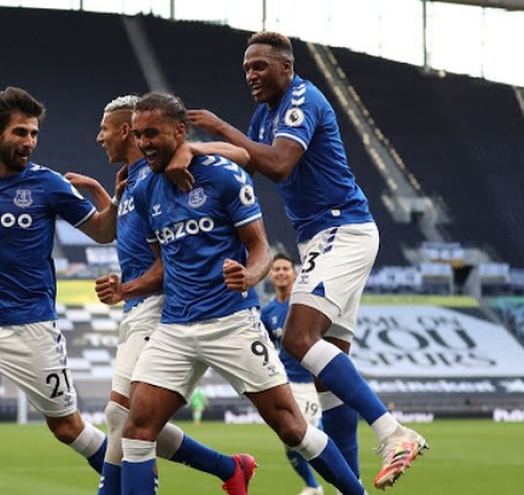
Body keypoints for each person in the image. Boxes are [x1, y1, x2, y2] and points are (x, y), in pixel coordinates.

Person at [169, 31, 428, 490]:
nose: (250, 75)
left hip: (340, 229)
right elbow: (248, 159)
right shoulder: (265, 114)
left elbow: (278, 163)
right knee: (328, 384)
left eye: (259, 66)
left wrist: (219, 128)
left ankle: (394, 433)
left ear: (286, 67)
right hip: (322, 238)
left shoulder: (302, 99)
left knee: (297, 338)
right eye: (246, 68)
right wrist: (197, 149)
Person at [120, 92, 367, 495]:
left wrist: (249, 277)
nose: (143, 142)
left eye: (152, 133)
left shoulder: (222, 176)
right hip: (175, 327)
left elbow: (260, 249)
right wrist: (126, 287)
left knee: (292, 428)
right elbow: (163, 264)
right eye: (138, 134)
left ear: (179, 132)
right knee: (136, 429)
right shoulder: (146, 190)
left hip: (231, 322)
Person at [0, 87, 120, 495]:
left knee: (67, 428)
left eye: (33, 134)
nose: (28, 141)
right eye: (20, 132)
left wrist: (114, 196)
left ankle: (134, 482)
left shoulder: (48, 184)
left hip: (31, 328)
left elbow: (103, 232)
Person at [65, 95, 260, 495]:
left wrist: (192, 150)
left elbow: (240, 154)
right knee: (127, 417)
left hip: (159, 302)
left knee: (123, 416)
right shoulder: (130, 180)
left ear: (125, 131)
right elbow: (114, 231)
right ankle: (230, 467)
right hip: (136, 305)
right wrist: (102, 193)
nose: (99, 137)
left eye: (104, 129)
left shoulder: (164, 172)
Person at [262, 253, 324, 495]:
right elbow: (268, 346)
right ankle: (313, 485)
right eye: (276, 269)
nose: (280, 273)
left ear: (294, 273)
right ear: (270, 274)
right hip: (286, 383)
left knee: (311, 437)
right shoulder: (268, 312)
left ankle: (347, 482)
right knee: (289, 439)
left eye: (285, 269)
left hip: (310, 382)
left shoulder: (304, 305)